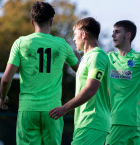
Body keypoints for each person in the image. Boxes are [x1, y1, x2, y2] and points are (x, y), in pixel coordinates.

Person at [0, 1, 80, 145]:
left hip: (28, 109)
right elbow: (80, 71)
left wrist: (3, 97)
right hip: (53, 110)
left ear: (32, 21)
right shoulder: (61, 44)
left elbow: (6, 79)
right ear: (51, 21)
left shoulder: (20, 43)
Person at [49, 17, 111, 145]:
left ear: (83, 34)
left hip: (93, 121)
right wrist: (79, 63)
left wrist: (64, 108)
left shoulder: (97, 56)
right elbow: (86, 80)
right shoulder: (88, 58)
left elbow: (91, 88)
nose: (73, 39)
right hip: (85, 122)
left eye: (75, 34)